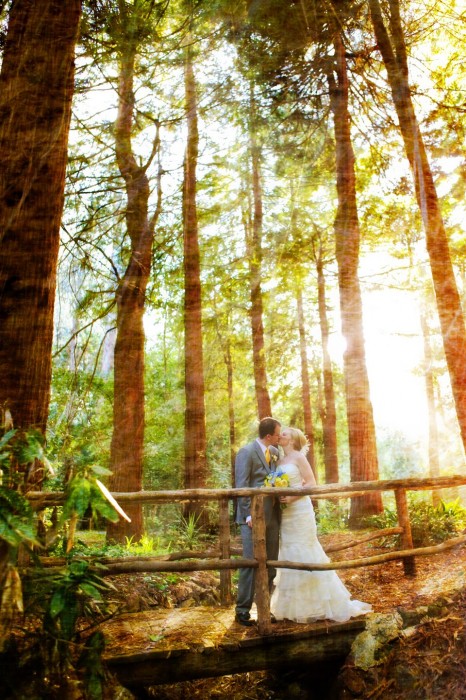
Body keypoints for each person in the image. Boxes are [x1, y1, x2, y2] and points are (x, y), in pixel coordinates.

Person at [270, 427, 372, 623]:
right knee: (290, 551)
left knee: (305, 549)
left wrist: (291, 497)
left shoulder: (299, 457)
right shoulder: (280, 460)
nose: (280, 435)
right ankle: (295, 607)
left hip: (299, 510)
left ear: (292, 440)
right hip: (286, 514)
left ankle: (317, 605)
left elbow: (311, 483)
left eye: (284, 434)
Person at [235, 416, 282, 626]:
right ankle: (242, 611)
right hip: (252, 518)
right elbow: (241, 485)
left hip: (272, 516)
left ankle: (265, 608)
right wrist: (247, 515)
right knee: (249, 562)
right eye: (278, 433)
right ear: (269, 435)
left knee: (270, 563)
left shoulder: (273, 452)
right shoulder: (246, 452)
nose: (280, 437)